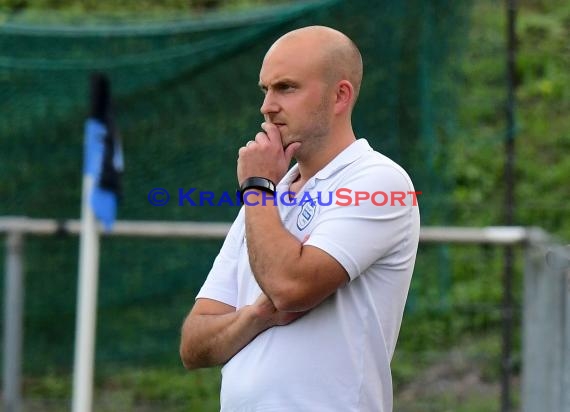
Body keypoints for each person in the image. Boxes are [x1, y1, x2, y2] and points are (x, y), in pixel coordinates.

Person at [179, 25, 420, 412]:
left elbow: (289, 288)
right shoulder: (263, 202)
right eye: (265, 89)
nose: (267, 106)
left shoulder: (379, 180)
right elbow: (194, 344)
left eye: (286, 87)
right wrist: (255, 317)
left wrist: (256, 187)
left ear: (340, 96)